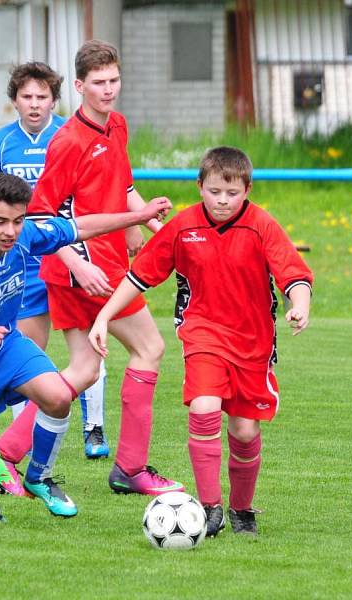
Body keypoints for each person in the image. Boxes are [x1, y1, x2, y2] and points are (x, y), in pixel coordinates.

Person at [0, 173, 171, 521]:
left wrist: (138, 216)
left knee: (57, 395)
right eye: (0, 222)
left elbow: (80, 227)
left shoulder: (25, 237)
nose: (10, 231)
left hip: (5, 348)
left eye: (18, 221)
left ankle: (39, 476)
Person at [88, 146, 314, 537]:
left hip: (253, 345)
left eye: (231, 193)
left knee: (244, 432)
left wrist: (300, 306)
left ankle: (242, 509)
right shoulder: (183, 227)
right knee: (204, 409)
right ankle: (210, 508)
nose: (222, 201)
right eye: (213, 192)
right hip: (202, 334)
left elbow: (294, 274)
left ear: (247, 190)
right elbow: (140, 274)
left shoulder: (262, 225)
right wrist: (104, 316)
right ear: (200, 187)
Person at [0, 39, 183, 496]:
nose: (108, 90)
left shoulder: (117, 125)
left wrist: (162, 232)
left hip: (98, 265)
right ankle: (131, 469)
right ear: (79, 86)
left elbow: (126, 188)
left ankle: (3, 454)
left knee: (84, 369)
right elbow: (38, 218)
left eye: (114, 80)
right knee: (150, 348)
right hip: (85, 270)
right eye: (98, 83)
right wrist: (77, 265)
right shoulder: (68, 142)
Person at [0, 63, 111, 495]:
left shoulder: (70, 137)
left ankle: (94, 428)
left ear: (55, 100)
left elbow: (95, 198)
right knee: (27, 359)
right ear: (16, 100)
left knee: (90, 347)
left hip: (72, 262)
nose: (35, 104)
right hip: (23, 273)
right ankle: (12, 456)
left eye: (43, 97)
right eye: (27, 97)